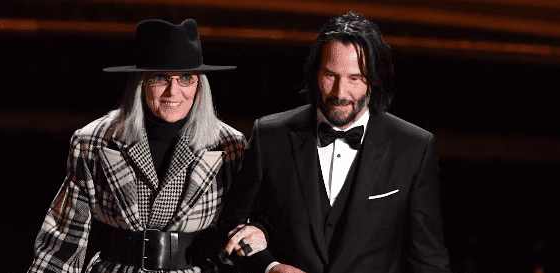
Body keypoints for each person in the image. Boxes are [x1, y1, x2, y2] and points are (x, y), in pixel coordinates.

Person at [220, 12, 451, 273]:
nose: (340, 93)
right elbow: (230, 230)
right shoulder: (270, 135)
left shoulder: (413, 147)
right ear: (315, 73)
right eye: (330, 75)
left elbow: (428, 261)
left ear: (375, 80)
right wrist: (270, 267)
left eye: (355, 78)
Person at [28, 19, 246, 273]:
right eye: (160, 78)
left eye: (186, 78)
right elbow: (65, 236)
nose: (173, 92)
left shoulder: (229, 145)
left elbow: (240, 233)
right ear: (141, 83)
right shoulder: (94, 140)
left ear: (200, 86)